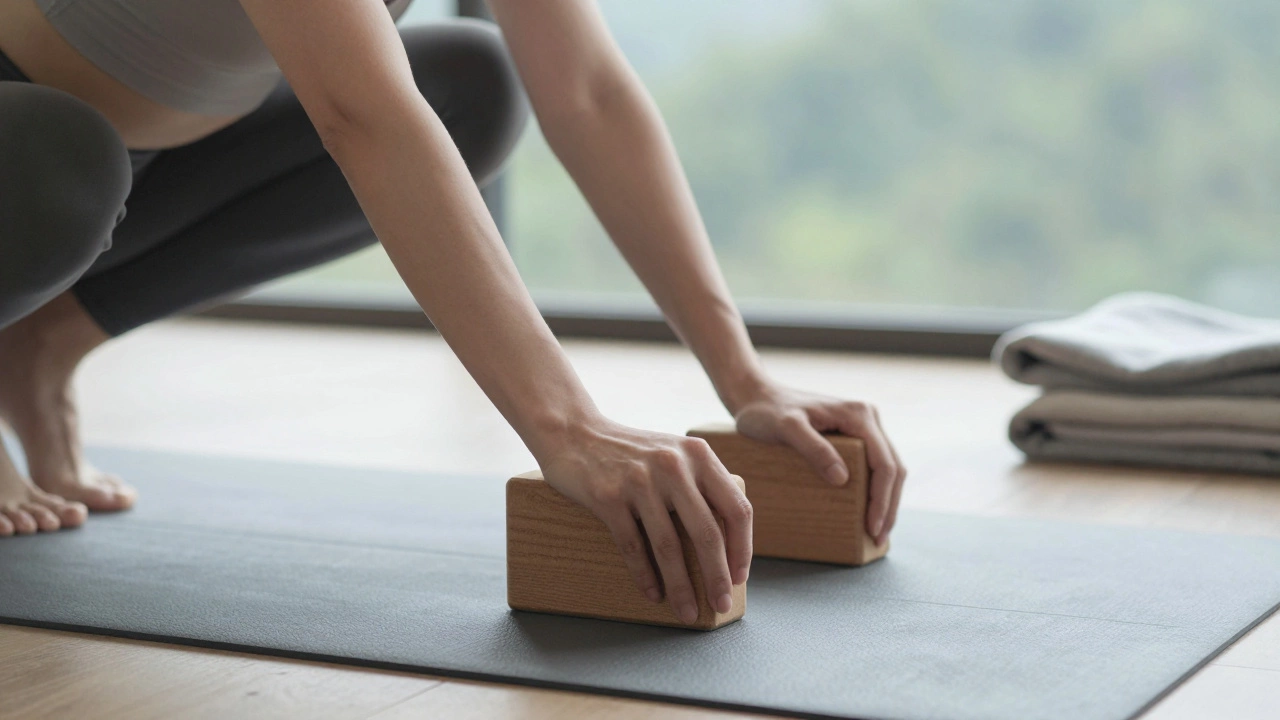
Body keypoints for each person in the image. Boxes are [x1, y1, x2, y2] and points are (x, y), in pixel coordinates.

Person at [0, 0, 905, 623]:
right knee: (62, 163)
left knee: (472, 83)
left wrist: (743, 375)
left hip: (139, 155)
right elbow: (361, 117)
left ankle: (35, 346)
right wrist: (571, 428)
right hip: (31, 142)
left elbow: (587, 91)